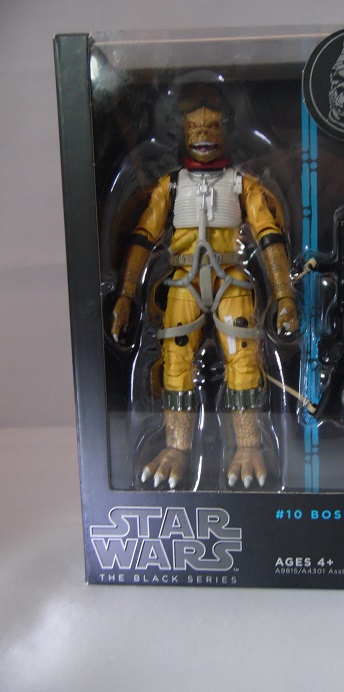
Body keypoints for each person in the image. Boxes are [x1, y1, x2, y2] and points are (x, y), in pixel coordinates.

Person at [111, 84, 298, 490]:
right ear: (182, 130)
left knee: (244, 359)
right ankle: (176, 448)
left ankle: (248, 446)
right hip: (184, 281)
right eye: (195, 126)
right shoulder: (169, 186)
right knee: (176, 362)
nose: (203, 134)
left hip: (232, 279)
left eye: (211, 125)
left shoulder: (244, 185)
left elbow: (269, 236)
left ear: (225, 129)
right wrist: (126, 295)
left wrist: (284, 294)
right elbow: (143, 238)